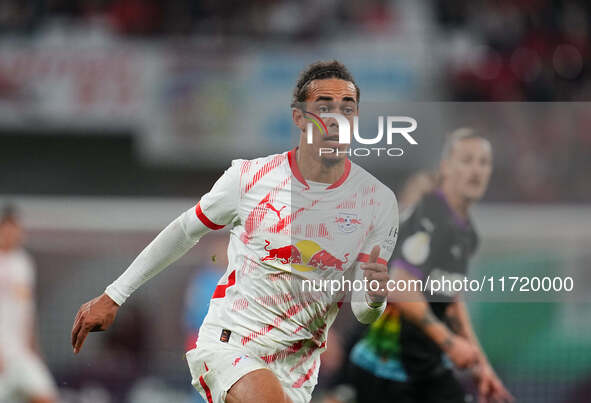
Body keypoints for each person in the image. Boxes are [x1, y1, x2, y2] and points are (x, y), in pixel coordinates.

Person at [71, 60, 399, 403]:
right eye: (324, 107)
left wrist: (375, 297)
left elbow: (364, 309)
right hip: (231, 345)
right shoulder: (250, 178)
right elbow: (185, 230)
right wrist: (114, 295)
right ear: (299, 117)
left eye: (347, 108)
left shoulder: (377, 202)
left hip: (298, 367)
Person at [348, 128, 514, 403]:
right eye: (467, 160)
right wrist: (450, 344)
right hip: (388, 371)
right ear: (446, 167)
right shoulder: (429, 214)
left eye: (483, 162)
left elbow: (451, 301)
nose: (476, 170)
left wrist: (481, 366)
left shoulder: (466, 232)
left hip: (425, 366)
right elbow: (400, 288)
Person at [0, 205, 58, 403]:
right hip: (2, 353)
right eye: (10, 228)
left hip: (21, 353)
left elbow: (27, 312)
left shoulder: (23, 263)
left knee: (45, 396)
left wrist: (34, 348)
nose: (15, 233)